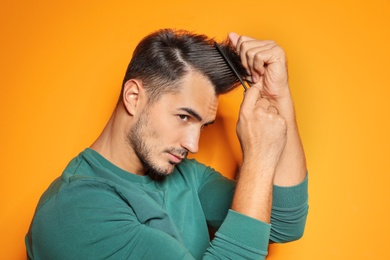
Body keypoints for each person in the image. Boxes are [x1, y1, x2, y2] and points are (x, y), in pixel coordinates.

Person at [26, 28, 308, 259]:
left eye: (203, 126)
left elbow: (283, 224)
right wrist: (258, 156)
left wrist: (278, 97)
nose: (193, 144)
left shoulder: (187, 176)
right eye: (184, 116)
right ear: (134, 97)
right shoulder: (74, 211)